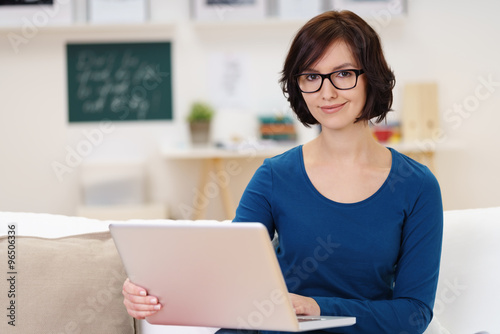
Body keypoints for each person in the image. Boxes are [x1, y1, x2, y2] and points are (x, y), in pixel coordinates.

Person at [122, 10, 443, 334]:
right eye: (311, 76)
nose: (326, 92)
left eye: (343, 74)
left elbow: (413, 315)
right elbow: (230, 271)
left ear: (371, 76)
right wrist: (151, 292)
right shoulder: (275, 175)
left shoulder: (416, 187)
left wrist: (316, 307)